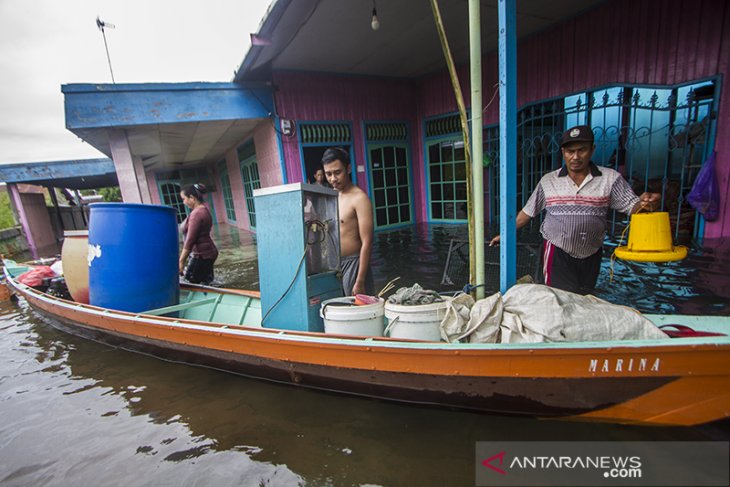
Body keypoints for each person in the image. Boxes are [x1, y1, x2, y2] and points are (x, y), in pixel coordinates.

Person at [489, 125, 660, 295]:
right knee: (558, 298)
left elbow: (633, 207)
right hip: (557, 249)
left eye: (582, 150)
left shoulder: (610, 178)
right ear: (563, 152)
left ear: (592, 150)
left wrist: (647, 203)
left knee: (584, 298)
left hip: (592, 251)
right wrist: (505, 234)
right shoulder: (549, 180)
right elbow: (528, 212)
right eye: (570, 151)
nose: (576, 157)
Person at [321, 147, 375, 296]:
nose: (333, 179)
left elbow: (367, 242)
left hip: (353, 264)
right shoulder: (330, 197)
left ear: (348, 169)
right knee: (337, 310)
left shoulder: (359, 198)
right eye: (328, 174)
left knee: (357, 310)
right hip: (333, 265)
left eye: (337, 172)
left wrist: (360, 280)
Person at [179, 183, 219, 285]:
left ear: (192, 198)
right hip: (207, 253)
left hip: (202, 255)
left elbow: (190, 240)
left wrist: (181, 261)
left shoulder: (197, 214)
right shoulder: (203, 210)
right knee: (206, 283)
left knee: (190, 283)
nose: (183, 202)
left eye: (184, 199)